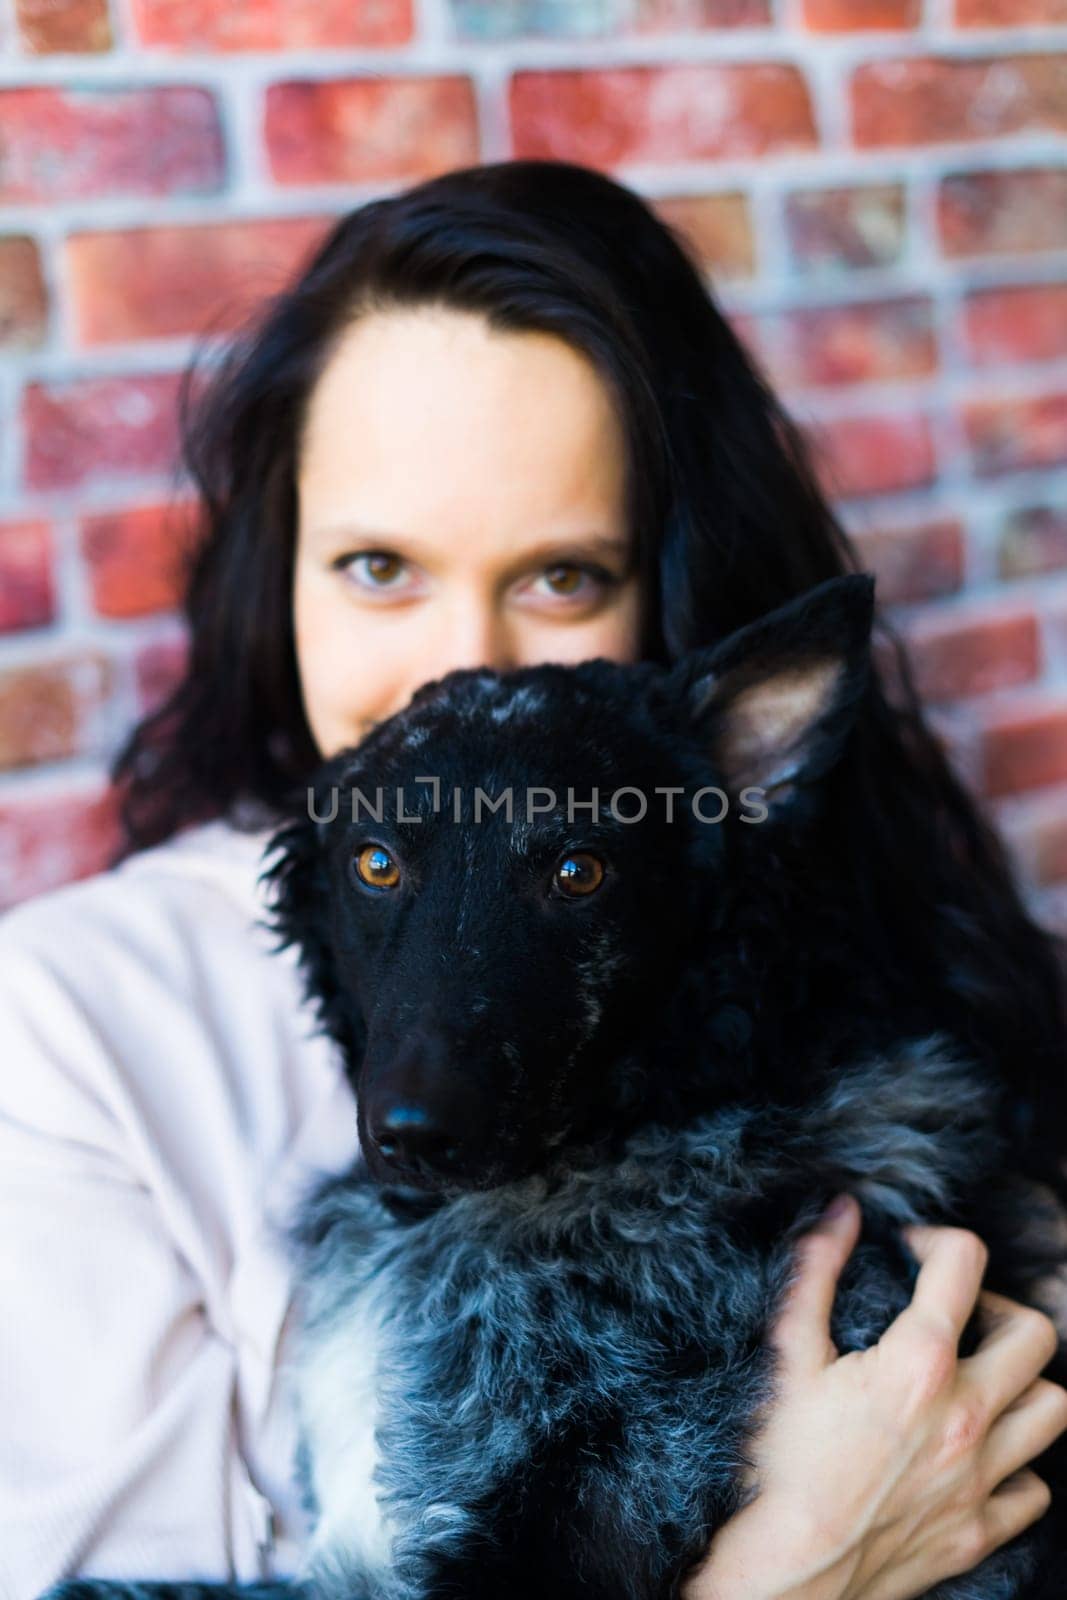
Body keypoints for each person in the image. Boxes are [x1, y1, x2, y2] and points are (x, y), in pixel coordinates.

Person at [2, 158, 1066, 1600]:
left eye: (561, 578)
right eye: (381, 565)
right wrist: (799, 1569)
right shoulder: (69, 1028)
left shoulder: (829, 989)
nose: (470, 661)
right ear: (285, 572)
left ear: (670, 600)